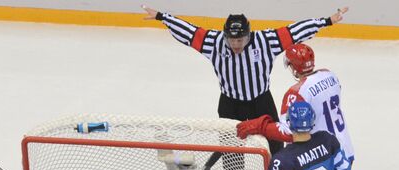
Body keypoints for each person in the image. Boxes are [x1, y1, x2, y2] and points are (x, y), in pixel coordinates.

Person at [142, 5, 348, 156]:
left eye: (239, 40)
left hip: (261, 101)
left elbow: (295, 31)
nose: (235, 44)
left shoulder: (266, 41)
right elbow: (190, 32)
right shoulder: (214, 42)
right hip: (230, 105)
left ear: (248, 35)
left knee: (275, 144)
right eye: (231, 40)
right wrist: (163, 17)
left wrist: (327, 21)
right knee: (231, 149)